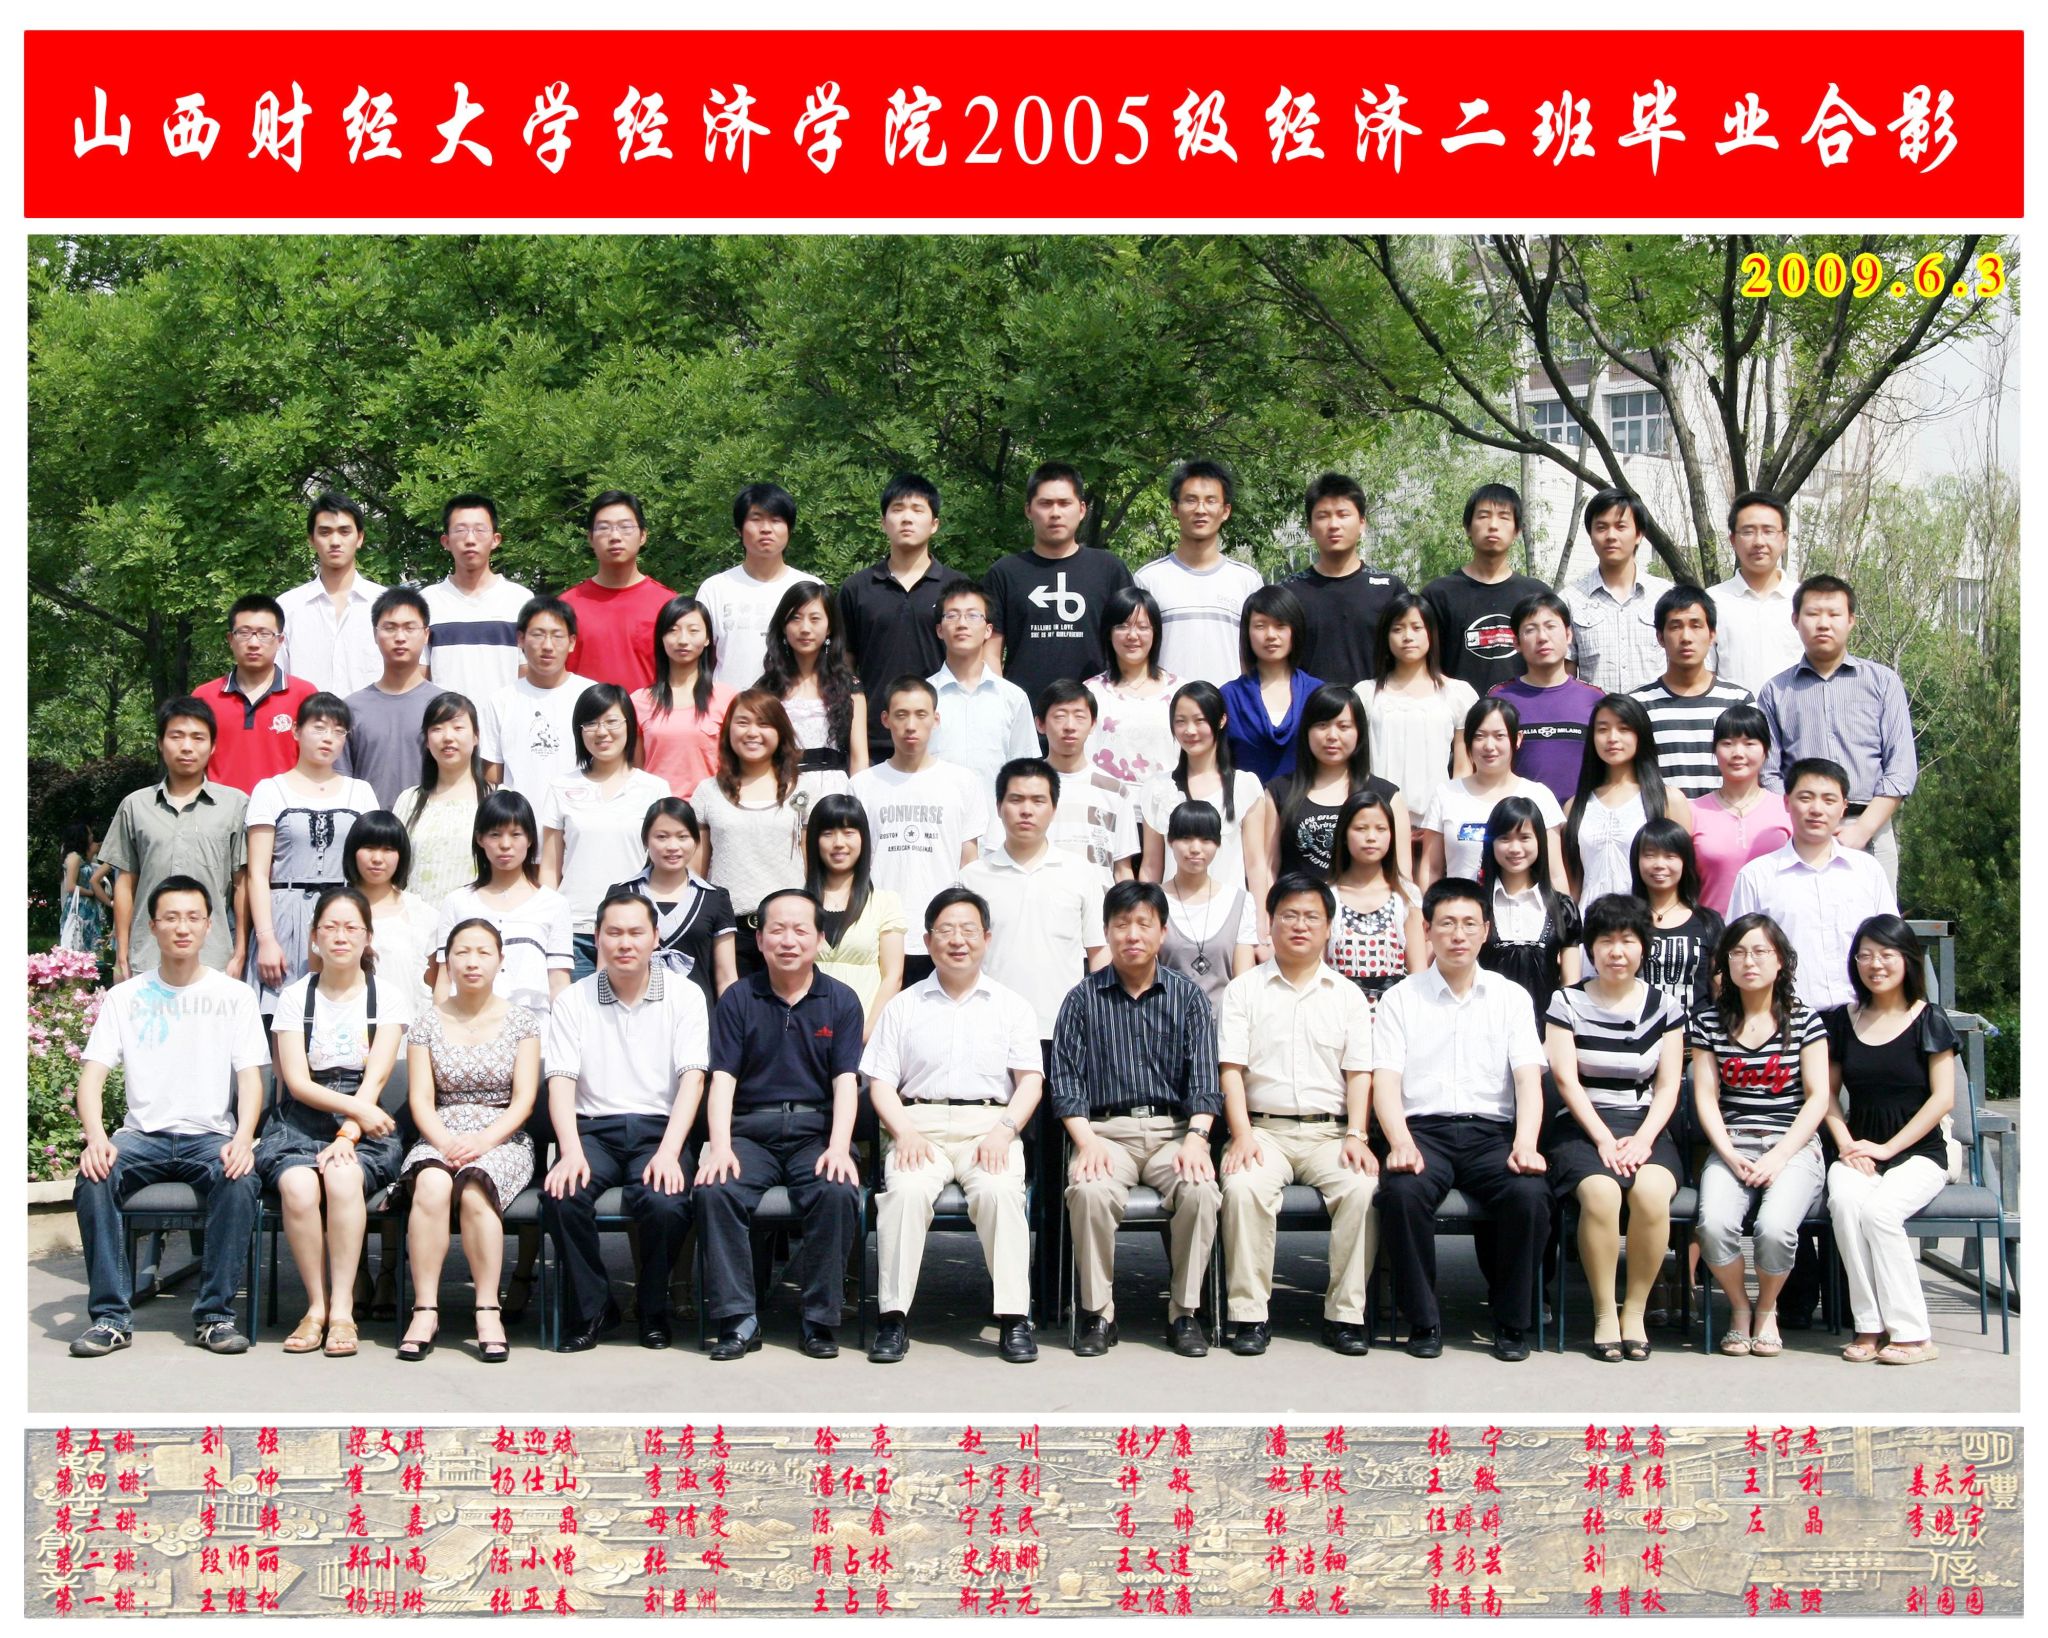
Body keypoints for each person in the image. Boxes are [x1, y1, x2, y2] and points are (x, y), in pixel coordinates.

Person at [67, 877, 268, 1358]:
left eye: (193, 918)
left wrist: (244, 1137)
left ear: (208, 926)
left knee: (240, 1179)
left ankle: (215, 1317)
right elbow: (90, 1079)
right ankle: (111, 1319)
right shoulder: (126, 997)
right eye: (171, 918)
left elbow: (251, 1080)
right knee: (93, 1177)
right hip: (142, 1136)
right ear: (153, 926)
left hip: (209, 1137)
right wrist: (96, 1138)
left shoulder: (234, 995)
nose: (182, 928)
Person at [863, 885, 1045, 1365]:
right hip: (917, 1125)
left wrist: (1005, 1130)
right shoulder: (903, 1005)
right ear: (927, 941)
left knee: (1000, 1193)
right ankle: (892, 1318)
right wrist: (903, 1131)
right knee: (904, 1194)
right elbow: (880, 1083)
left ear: (986, 938)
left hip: (990, 1125)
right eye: (945, 930)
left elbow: (1030, 1081)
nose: (957, 940)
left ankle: (1014, 1318)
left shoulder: (1012, 1005)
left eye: (968, 930)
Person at [1373, 877, 1550, 1361]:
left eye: (1470, 924)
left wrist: (1526, 1143)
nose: (1458, 935)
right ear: (1427, 930)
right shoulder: (1401, 998)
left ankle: (1511, 1321)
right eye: (1447, 923)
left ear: (1486, 931)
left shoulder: (1511, 997)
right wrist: (1399, 1141)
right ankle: (1423, 1320)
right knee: (1402, 1194)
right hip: (1423, 1132)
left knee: (1530, 1195)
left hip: (1491, 1134)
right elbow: (1385, 1082)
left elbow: (1528, 1080)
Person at [1052, 880, 1222, 1359]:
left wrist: (1197, 1139)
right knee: (1089, 1191)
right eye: (1121, 924)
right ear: (1106, 931)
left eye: (1144, 924)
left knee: (1200, 1189)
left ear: (1162, 932)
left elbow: (1205, 1081)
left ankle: (1185, 1312)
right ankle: (1097, 1313)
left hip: (1174, 1133)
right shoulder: (1081, 1000)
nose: (1132, 934)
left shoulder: (1188, 998)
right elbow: (1065, 1084)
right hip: (1106, 1133)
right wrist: (1086, 1142)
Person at [694, 888, 866, 1360]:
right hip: (751, 1132)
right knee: (715, 1190)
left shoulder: (842, 1000)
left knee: (837, 1190)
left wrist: (839, 1147)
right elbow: (722, 1079)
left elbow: (846, 1082)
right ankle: (738, 1319)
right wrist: (720, 1146)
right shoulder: (738, 999)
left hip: (816, 1133)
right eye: (777, 930)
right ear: (760, 938)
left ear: (819, 939)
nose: (788, 941)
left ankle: (819, 1320)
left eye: (800, 930)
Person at [1217, 873, 1379, 1356]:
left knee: (1363, 1189)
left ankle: (1345, 1316)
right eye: (1289, 915)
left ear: (1329, 926)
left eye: (1312, 916)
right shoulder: (1244, 990)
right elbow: (1230, 1071)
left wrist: (1357, 1134)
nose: (1300, 925)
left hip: (1330, 1134)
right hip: (1263, 1131)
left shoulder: (1347, 995)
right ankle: (1249, 1315)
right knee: (1243, 1187)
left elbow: (1359, 1073)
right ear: (1270, 923)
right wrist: (1241, 1134)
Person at [541, 891, 709, 1352]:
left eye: (636, 932)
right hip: (593, 1131)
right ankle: (595, 1308)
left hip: (659, 1131)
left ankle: (652, 1309)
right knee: (561, 1196)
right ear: (597, 938)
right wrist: (569, 1151)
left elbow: (693, 1079)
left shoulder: (685, 995)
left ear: (656, 937)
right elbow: (560, 1082)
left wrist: (671, 1153)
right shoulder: (573, 1000)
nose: (625, 943)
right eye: (613, 933)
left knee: (666, 1203)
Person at [256, 885, 410, 1359]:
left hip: (364, 1119)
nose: (341, 937)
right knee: (299, 1186)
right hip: (302, 1119)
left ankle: (343, 1309)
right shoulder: (294, 997)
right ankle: (315, 1307)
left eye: (351, 928)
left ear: (368, 937)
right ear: (314, 936)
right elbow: (296, 1082)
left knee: (343, 1177)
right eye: (331, 927)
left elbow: (376, 1078)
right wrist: (353, 1116)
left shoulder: (387, 997)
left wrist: (350, 1130)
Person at [1544, 893, 1685, 1362]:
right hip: (1582, 1125)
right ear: (1591, 947)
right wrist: (1603, 1139)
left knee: (1651, 1193)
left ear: (1643, 946)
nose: (1616, 951)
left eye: (1627, 940)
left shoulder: (1664, 1007)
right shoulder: (1566, 1001)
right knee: (1601, 1193)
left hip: (1645, 1126)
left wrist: (1643, 1140)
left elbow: (1668, 1086)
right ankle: (1605, 1312)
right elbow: (1566, 1080)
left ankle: (1635, 1312)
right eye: (1605, 941)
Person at [397, 917, 542, 1363]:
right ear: (448, 960)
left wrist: (482, 1142)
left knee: (477, 1187)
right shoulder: (426, 1023)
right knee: (431, 1184)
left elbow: (524, 1101)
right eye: (462, 952)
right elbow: (421, 1100)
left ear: (500, 960)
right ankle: (425, 1310)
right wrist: (445, 1142)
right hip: (440, 1132)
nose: (472, 962)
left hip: (502, 1136)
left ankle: (487, 1309)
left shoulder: (522, 1022)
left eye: (483, 952)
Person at [1689, 913, 1829, 1359]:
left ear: (1781, 960)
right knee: (1713, 1226)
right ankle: (1739, 1307)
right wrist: (1728, 1154)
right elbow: (1706, 1096)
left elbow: (1818, 1098)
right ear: (1725, 963)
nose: (1749, 961)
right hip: (1732, 1143)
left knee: (1774, 1229)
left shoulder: (1805, 1021)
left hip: (1793, 1147)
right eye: (1738, 952)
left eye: (1760, 951)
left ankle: (1767, 1308)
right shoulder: (1708, 1023)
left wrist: (1780, 1155)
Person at [1824, 915, 1956, 1367]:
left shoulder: (1929, 1019)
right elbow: (1826, 1096)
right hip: (1859, 1151)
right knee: (1845, 1205)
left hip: (1919, 1154)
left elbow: (1943, 1098)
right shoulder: (1842, 1020)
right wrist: (1846, 1145)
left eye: (1885, 954)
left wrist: (1887, 1149)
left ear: (1907, 959)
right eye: (1865, 955)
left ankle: (1914, 1335)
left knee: (1880, 1214)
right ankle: (1869, 1325)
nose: (1874, 964)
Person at [1757, 574, 1918, 892]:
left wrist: (1863, 829)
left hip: (1869, 828)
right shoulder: (1776, 691)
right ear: (1795, 620)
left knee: (1873, 922)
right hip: (1799, 831)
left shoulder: (1882, 682)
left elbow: (1901, 768)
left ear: (1851, 620)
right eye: (1813, 614)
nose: (1823, 624)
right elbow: (1769, 773)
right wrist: (1803, 823)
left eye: (1834, 614)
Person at [1245, 685, 1407, 953]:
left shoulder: (1386, 796)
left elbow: (1401, 875)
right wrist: (1264, 929)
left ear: (1359, 732)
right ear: (1306, 731)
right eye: (1322, 725)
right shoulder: (1279, 791)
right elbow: (1268, 868)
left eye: (1344, 726)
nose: (1332, 736)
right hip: (1297, 927)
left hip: (1364, 933)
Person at [1727, 758, 1898, 1013]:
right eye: (1806, 798)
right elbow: (1736, 954)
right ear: (1786, 802)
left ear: (1844, 807)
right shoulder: (1755, 876)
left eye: (1829, 800)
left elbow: (1891, 945)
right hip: (1787, 1016)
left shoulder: (1867, 871)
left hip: (1862, 1016)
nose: (1817, 809)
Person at [246, 693, 379, 1018]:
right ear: (296, 730)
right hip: (284, 916)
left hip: (344, 917)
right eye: (319, 728)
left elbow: (372, 869)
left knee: (343, 1014)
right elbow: (257, 874)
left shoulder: (360, 792)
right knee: (282, 1017)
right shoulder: (270, 790)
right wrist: (266, 939)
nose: (328, 738)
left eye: (338, 731)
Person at [849, 677, 988, 986]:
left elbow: (969, 860)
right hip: (879, 931)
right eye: (901, 715)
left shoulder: (962, 782)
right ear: (885, 719)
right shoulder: (862, 785)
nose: (911, 725)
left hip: (942, 933)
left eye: (920, 714)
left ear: (936, 719)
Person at [960, 758, 1108, 1043]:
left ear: (1054, 808)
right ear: (998, 807)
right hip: (990, 1029)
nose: (1026, 810)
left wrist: (1098, 1017)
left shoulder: (1079, 872)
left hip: (1065, 1029)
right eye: (1016, 799)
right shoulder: (972, 878)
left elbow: (1098, 951)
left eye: (1038, 801)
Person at [103, 697, 249, 982]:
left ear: (213, 746)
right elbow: (125, 883)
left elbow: (242, 883)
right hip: (147, 955)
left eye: (198, 738)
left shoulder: (235, 805)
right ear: (160, 743)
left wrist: (240, 952)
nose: (187, 746)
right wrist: (122, 952)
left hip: (213, 956)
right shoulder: (135, 805)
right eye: (176, 736)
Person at [836, 473, 973, 766]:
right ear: (883, 522)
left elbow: (972, 659)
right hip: (874, 736)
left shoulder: (957, 587)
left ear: (934, 524)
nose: (907, 518)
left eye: (917, 509)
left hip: (943, 734)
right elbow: (844, 663)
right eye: (897, 509)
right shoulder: (857, 588)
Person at [538, 683, 672, 979]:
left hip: (630, 930)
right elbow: (549, 867)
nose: (602, 732)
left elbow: (664, 865)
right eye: (591, 723)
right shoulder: (561, 786)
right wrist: (548, 922)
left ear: (629, 725)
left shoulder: (654, 789)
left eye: (612, 722)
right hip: (573, 930)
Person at [983, 462, 1135, 708]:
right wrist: (1002, 707)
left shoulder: (1109, 569)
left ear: (1082, 509)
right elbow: (990, 651)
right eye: (1045, 503)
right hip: (1024, 713)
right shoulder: (1005, 573)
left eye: (1065, 503)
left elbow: (1130, 642)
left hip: (1097, 711)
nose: (1055, 513)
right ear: (1028, 510)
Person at [688, 689, 808, 979]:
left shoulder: (803, 789)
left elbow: (810, 863)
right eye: (743, 723)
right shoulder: (708, 792)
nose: (752, 732)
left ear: (780, 731)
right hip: (727, 931)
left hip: (788, 931)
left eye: (764, 723)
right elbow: (695, 870)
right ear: (728, 730)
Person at [430, 790, 575, 1019]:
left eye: (516, 834)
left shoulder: (554, 904)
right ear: (480, 839)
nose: (505, 844)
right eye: (495, 834)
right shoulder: (457, 902)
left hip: (534, 1029)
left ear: (530, 839)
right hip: (467, 1027)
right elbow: (444, 979)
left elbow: (558, 982)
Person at [1357, 591, 1476, 856]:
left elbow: (1463, 765)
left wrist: (1448, 815)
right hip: (1376, 823)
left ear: (1431, 633)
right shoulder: (1365, 694)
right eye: (1398, 629)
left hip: (1437, 822)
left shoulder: (1458, 694)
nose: (1407, 636)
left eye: (1416, 627)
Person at [1133, 459, 1263, 689]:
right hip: (1166, 707)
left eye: (1211, 501)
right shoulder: (1148, 580)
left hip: (1230, 707)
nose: (1201, 510)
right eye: (1191, 500)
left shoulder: (1247, 581)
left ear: (1225, 511)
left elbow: (1258, 656)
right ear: (1175, 508)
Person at [1416, 696, 1568, 891]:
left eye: (1499, 736)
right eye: (1479, 736)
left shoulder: (1539, 796)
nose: (1489, 746)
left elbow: (1555, 874)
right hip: (1462, 907)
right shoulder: (1446, 794)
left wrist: (1563, 909)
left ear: (1517, 739)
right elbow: (1431, 868)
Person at [1562, 693, 1690, 912]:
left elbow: (1685, 873)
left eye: (1623, 729)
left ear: (1640, 734)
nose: (1612, 738)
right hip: (1589, 924)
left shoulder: (1669, 800)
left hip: (1648, 923)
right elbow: (1573, 882)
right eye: (1603, 729)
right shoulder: (1575, 807)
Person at [609, 797, 739, 1012]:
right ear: (645, 840)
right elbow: (606, 968)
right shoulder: (621, 894)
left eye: (682, 837)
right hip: (631, 1016)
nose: (672, 846)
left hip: (697, 1018)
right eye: (661, 837)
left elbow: (726, 977)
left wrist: (729, 1024)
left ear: (696, 841)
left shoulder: (715, 898)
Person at [1138, 681, 1265, 892]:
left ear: (1221, 720)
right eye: (1180, 721)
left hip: (1231, 909)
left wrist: (1260, 912)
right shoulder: (1157, 787)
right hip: (1172, 908)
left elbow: (1256, 865)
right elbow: (1151, 866)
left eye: (1200, 720)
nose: (1190, 730)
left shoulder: (1245, 786)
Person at [1287, 472, 1408, 690]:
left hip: (1375, 707)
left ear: (1362, 523)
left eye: (1343, 515)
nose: (1334, 524)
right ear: (1310, 527)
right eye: (1323, 516)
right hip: (1310, 707)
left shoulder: (1389, 589)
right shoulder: (1290, 592)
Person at [1630, 586, 1752, 798]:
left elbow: (1753, 775)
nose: (1686, 637)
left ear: (1712, 634)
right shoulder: (1638, 705)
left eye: (1696, 626)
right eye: (1675, 627)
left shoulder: (1739, 702)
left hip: (1724, 816)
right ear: (1660, 637)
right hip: (1662, 817)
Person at [1422, 484, 1547, 693]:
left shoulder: (1537, 595)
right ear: (1468, 528)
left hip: (1523, 711)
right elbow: (1423, 665)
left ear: (1517, 531)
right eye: (1483, 516)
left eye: (1504, 517)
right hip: (1459, 712)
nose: (1493, 525)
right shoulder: (1438, 595)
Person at [1488, 591, 1605, 810]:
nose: (1542, 637)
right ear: (1516, 642)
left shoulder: (1594, 698)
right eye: (1530, 630)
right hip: (1520, 824)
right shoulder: (1500, 699)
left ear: (1568, 635)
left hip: (1582, 820)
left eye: (1551, 626)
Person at [805, 794, 906, 1037]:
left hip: (862, 1034)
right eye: (827, 833)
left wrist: (866, 1032)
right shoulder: (798, 904)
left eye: (849, 832)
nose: (839, 843)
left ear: (863, 838)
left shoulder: (885, 902)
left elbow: (893, 976)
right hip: (805, 1034)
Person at [1478, 795, 1583, 1025]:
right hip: (1486, 1027)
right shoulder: (1476, 905)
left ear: (1540, 841)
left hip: (1547, 1032)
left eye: (1525, 837)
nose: (1515, 848)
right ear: (1491, 842)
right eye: (1504, 838)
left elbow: (1571, 985)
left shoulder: (1562, 908)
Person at [1325, 788, 1426, 1026]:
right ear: (1344, 834)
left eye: (1381, 829)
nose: (1371, 837)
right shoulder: (1327, 896)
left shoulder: (1406, 896)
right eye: (1361, 828)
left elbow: (1418, 972)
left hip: (1392, 1020)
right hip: (1340, 1018)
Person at [760, 579, 868, 801]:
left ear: (829, 627)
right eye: (795, 618)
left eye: (815, 619)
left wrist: (858, 805)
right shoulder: (767, 688)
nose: (805, 628)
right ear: (783, 626)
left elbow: (859, 759)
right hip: (779, 791)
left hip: (833, 793)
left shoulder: (849, 686)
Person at [479, 596, 597, 798]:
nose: (548, 645)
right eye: (538, 635)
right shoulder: (500, 701)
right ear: (520, 639)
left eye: (557, 636)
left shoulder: (591, 696)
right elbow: (492, 776)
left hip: (579, 814)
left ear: (571, 642)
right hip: (519, 816)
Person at [339, 587, 446, 809]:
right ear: (375, 634)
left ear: (426, 634)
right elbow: (340, 784)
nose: (400, 637)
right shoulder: (351, 708)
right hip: (368, 826)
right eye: (390, 628)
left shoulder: (445, 707)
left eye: (410, 628)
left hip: (430, 825)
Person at [421, 493, 533, 706]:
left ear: (495, 539)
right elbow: (420, 676)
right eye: (460, 530)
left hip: (504, 722)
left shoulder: (521, 600)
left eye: (480, 530)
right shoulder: (427, 601)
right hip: (446, 724)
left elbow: (528, 673)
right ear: (446, 541)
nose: (470, 540)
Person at [202, 593, 320, 794]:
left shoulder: (305, 695)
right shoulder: (205, 697)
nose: (254, 643)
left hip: (286, 808)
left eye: (264, 634)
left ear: (280, 640)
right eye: (244, 633)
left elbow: (317, 761)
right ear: (230, 639)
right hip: (221, 810)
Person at [1561, 489, 1674, 696]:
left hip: (1654, 714)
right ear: (1591, 535)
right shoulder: (1570, 599)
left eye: (1621, 526)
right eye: (1601, 527)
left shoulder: (1665, 595)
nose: (1611, 536)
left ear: (1639, 534)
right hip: (1595, 714)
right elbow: (1565, 678)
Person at [559, 490, 675, 691]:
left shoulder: (668, 605)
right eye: (604, 528)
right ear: (590, 538)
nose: (614, 536)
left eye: (625, 527)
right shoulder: (565, 606)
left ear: (643, 536)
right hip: (581, 712)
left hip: (648, 712)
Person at [278, 491, 388, 700]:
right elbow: (276, 680)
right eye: (325, 532)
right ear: (312, 540)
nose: (335, 541)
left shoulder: (386, 604)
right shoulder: (288, 607)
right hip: (305, 719)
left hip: (373, 720)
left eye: (345, 531)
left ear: (360, 538)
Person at [926, 583, 1035, 794]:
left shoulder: (1013, 697)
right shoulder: (923, 697)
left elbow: (1024, 770)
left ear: (988, 630)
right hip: (937, 811)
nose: (962, 624)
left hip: (995, 813)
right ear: (939, 630)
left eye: (973, 615)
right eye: (952, 616)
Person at [698, 481, 807, 691]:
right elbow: (699, 660)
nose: (766, 529)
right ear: (739, 530)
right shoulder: (714, 589)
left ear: (789, 529)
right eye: (756, 520)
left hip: (794, 707)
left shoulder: (808, 588)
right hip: (729, 707)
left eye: (776, 520)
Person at [1034, 678, 1143, 888]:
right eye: (1059, 716)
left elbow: (1122, 869)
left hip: (1098, 905)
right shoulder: (1024, 786)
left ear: (1093, 724)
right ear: (1040, 724)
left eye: (1079, 717)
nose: (1069, 726)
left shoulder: (1115, 790)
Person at [1688, 704, 1792, 916]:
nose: (1738, 753)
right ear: (1715, 750)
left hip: (1775, 931)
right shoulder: (1692, 811)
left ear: (1765, 751)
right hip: (1714, 930)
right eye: (1727, 744)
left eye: (1749, 743)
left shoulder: (1787, 810)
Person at [394, 693, 494, 907]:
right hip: (417, 920)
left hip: (476, 921)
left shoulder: (494, 799)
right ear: (427, 740)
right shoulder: (408, 801)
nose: (448, 737)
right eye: (437, 728)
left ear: (476, 736)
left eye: (458, 728)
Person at [1157, 801, 1257, 1013]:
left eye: (1205, 839)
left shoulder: (1240, 902)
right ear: (1170, 841)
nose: (1195, 848)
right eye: (1186, 838)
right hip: (1165, 1022)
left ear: (1218, 844)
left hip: (1223, 1024)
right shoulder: (1153, 901)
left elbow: (1244, 981)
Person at [632, 595, 735, 799]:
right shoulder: (639, 701)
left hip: (710, 809)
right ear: (661, 638)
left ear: (708, 638)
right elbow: (636, 770)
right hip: (657, 810)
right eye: (672, 630)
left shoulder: (727, 699)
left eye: (693, 630)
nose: (682, 640)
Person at [1083, 585, 1183, 788]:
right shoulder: (1090, 692)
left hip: (1168, 803)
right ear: (1108, 632)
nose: (1132, 635)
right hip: (1106, 802)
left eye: (1143, 627)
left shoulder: (1180, 691)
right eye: (1122, 626)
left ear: (1155, 633)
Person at [1222, 583, 1322, 785]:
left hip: (1307, 802)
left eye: (1280, 626)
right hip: (1246, 803)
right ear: (1247, 632)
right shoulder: (1229, 696)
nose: (1270, 635)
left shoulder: (1317, 693)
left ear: (1295, 630)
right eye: (1260, 626)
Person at [342, 810, 442, 1009]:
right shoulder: (332, 912)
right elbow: (319, 979)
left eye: (388, 849)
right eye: (369, 847)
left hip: (406, 1024)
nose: (377, 858)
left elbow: (431, 985)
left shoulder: (423, 915)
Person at [1709, 491, 1804, 695]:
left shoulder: (1805, 601)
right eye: (1748, 532)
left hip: (1795, 715)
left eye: (1769, 531)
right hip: (1733, 715)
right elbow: (1704, 674)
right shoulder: (1711, 601)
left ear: (1784, 539)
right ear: (1733, 540)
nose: (1759, 541)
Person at [1631, 819, 1724, 1015]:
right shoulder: (1624, 920)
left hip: (1695, 1032)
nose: (1659, 864)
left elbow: (1721, 987)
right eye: (1649, 855)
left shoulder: (1708, 922)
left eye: (1670, 856)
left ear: (1685, 861)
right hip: (1637, 1031)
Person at [58, 819, 109, 955]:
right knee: (78, 945)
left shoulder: (81, 857)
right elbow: (70, 886)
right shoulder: (74, 857)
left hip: (87, 907)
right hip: (79, 907)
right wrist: (92, 893)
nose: (92, 836)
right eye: (89, 833)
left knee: (89, 946)